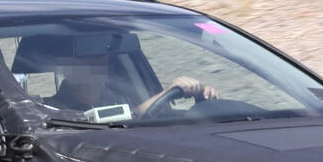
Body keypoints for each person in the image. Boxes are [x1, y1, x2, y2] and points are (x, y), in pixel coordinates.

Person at [45, 53, 218, 116]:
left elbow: (153, 116)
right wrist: (168, 91)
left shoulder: (116, 98)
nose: (101, 61)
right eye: (87, 57)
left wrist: (204, 100)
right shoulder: (52, 109)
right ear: (66, 68)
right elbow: (131, 117)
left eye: (102, 55)